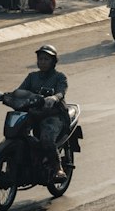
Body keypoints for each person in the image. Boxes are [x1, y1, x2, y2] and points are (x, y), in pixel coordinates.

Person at [7, 44, 69, 180]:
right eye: (40, 59)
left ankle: (58, 169)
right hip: (33, 113)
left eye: (46, 59)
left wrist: (54, 98)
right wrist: (6, 96)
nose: (42, 62)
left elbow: (61, 92)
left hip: (53, 115)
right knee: (17, 133)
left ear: (53, 61)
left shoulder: (60, 77)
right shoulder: (32, 76)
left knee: (46, 139)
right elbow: (20, 91)